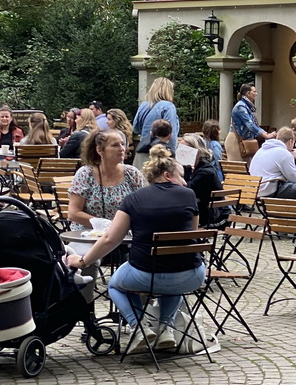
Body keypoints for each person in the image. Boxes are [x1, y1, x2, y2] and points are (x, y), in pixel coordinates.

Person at [65, 147, 205, 352]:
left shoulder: (133, 199)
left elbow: (110, 239)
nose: (184, 182)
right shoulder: (189, 195)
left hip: (146, 274)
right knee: (173, 271)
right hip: (191, 275)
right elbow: (191, 236)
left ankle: (139, 326)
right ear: (167, 175)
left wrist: (83, 261)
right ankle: (165, 328)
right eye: (181, 176)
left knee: (114, 285)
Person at [67, 129, 145, 233]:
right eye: (115, 145)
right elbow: (73, 213)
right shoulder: (85, 174)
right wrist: (103, 224)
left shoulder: (132, 174)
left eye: (122, 144)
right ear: (100, 150)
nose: (122, 148)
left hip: (124, 236)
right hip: (88, 235)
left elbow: (143, 207)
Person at [178, 133, 226, 228]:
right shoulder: (190, 169)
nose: (180, 152)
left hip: (213, 216)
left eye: (185, 149)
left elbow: (186, 192)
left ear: (196, 152)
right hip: (198, 211)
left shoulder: (206, 172)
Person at [132, 77, 180, 171]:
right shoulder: (168, 106)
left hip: (144, 149)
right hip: (161, 152)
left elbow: (136, 128)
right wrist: (172, 155)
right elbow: (171, 133)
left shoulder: (144, 105)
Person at [226, 83, 275, 164]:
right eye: (254, 91)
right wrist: (265, 135)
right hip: (236, 140)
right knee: (238, 168)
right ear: (248, 93)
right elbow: (250, 125)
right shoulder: (240, 107)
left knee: (248, 167)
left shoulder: (247, 106)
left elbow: (253, 125)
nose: (256, 94)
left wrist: (265, 133)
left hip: (244, 140)